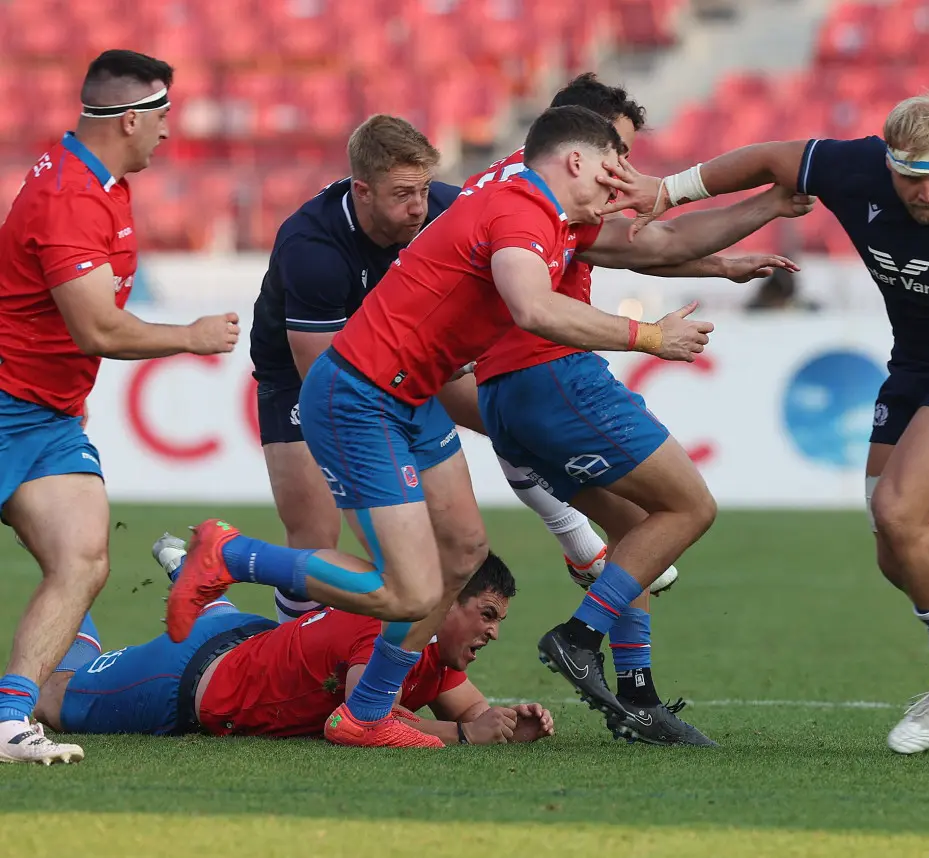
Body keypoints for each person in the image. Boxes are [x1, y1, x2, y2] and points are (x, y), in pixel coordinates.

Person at [167, 105, 806, 749]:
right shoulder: (519, 210)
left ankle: (365, 712)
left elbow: (663, 244)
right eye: (613, 172)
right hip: (359, 396)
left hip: (412, 394)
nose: (624, 189)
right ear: (575, 161)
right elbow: (531, 306)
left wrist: (770, 206)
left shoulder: (548, 210)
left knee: (465, 555)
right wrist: (648, 335)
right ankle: (229, 555)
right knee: (408, 589)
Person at [604, 91, 929, 757]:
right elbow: (773, 158)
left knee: (899, 510)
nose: (926, 193)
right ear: (888, 166)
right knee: (897, 546)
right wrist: (672, 188)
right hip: (915, 365)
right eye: (911, 180)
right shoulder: (853, 168)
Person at [453, 73, 804, 745]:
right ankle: (579, 636)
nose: (626, 171)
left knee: (638, 535)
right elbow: (653, 244)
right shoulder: (538, 198)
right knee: (690, 507)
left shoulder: (511, 188)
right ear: (575, 143)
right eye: (616, 150)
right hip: (550, 375)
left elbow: (648, 246)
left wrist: (732, 252)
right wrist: (769, 205)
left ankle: (637, 699)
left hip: (505, 391)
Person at [247, 113, 619, 623]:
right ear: (362, 191)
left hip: (403, 363)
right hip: (308, 380)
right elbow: (320, 375)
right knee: (315, 538)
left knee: (504, 417)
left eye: (424, 188)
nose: (419, 207)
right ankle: (285, 664)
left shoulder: (446, 208)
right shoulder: (312, 246)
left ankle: (572, 533)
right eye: (402, 195)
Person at [0, 50, 240, 765]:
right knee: (79, 559)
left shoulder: (99, 180)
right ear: (130, 118)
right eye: (162, 116)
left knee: (82, 559)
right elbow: (97, 328)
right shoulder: (72, 195)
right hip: (8, 403)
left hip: (42, 416)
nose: (169, 130)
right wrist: (189, 337)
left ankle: (10, 720)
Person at [34, 538, 551, 746]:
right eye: (486, 615)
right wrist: (465, 736)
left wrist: (507, 723)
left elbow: (472, 708)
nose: (494, 632)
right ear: (449, 601)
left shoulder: (430, 647)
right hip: (185, 678)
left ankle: (192, 575)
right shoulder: (386, 635)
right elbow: (360, 721)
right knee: (51, 699)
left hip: (248, 637)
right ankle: (66, 580)